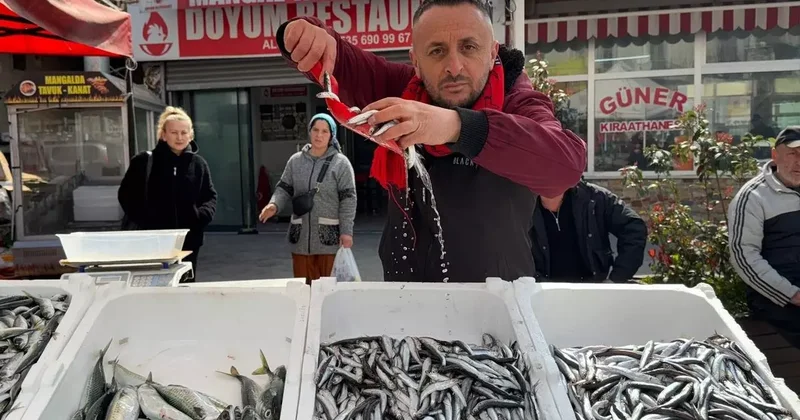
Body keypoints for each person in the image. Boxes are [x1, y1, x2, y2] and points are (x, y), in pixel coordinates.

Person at [275, 0, 586, 283]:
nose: (454, 66)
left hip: (494, 305)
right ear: (416, 61)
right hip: (403, 295)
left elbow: (565, 166)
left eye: (469, 47)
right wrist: (301, 34)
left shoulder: (519, 102)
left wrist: (457, 127)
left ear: (492, 53)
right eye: (437, 51)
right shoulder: (402, 89)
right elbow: (341, 60)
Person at [118, 106, 217, 282]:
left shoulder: (198, 164)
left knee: (185, 288)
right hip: (151, 242)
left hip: (188, 242)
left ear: (190, 135)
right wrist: (146, 220)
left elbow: (209, 197)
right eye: (174, 132)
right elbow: (126, 196)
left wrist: (199, 217)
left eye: (183, 132)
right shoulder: (143, 162)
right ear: (163, 135)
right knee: (153, 287)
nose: (179, 137)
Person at [259, 113, 357, 284]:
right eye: (316, 130)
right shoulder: (295, 161)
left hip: (328, 239)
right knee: (303, 288)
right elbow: (284, 188)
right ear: (310, 132)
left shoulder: (341, 163)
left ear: (331, 135)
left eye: (325, 131)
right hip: (301, 240)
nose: (319, 135)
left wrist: (347, 231)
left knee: (327, 289)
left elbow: (348, 199)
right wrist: (274, 204)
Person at [728, 126, 800, 348]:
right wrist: (793, 295)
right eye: (792, 153)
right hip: (777, 299)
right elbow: (743, 255)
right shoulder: (753, 197)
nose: (799, 161)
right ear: (775, 156)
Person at [530, 180, 647, 283]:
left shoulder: (594, 198)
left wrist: (616, 278)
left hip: (592, 292)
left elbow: (634, 227)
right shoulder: (519, 205)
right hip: (541, 295)